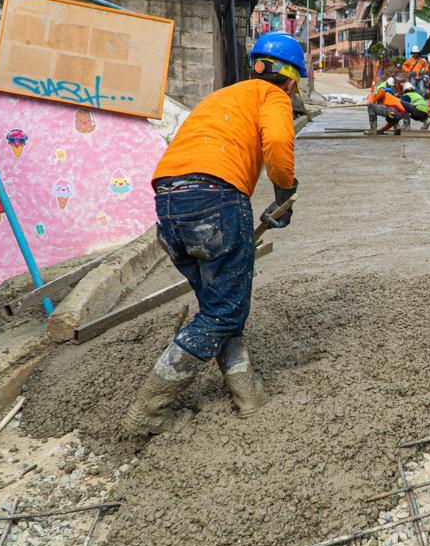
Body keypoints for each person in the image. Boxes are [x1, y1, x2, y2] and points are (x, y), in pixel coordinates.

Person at [121, 31, 304, 436]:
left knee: (220, 305)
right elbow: (276, 140)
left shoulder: (222, 97)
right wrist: (285, 190)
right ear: (291, 81)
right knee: (223, 311)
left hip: (169, 203)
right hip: (215, 199)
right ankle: (147, 411)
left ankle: (246, 394)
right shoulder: (272, 97)